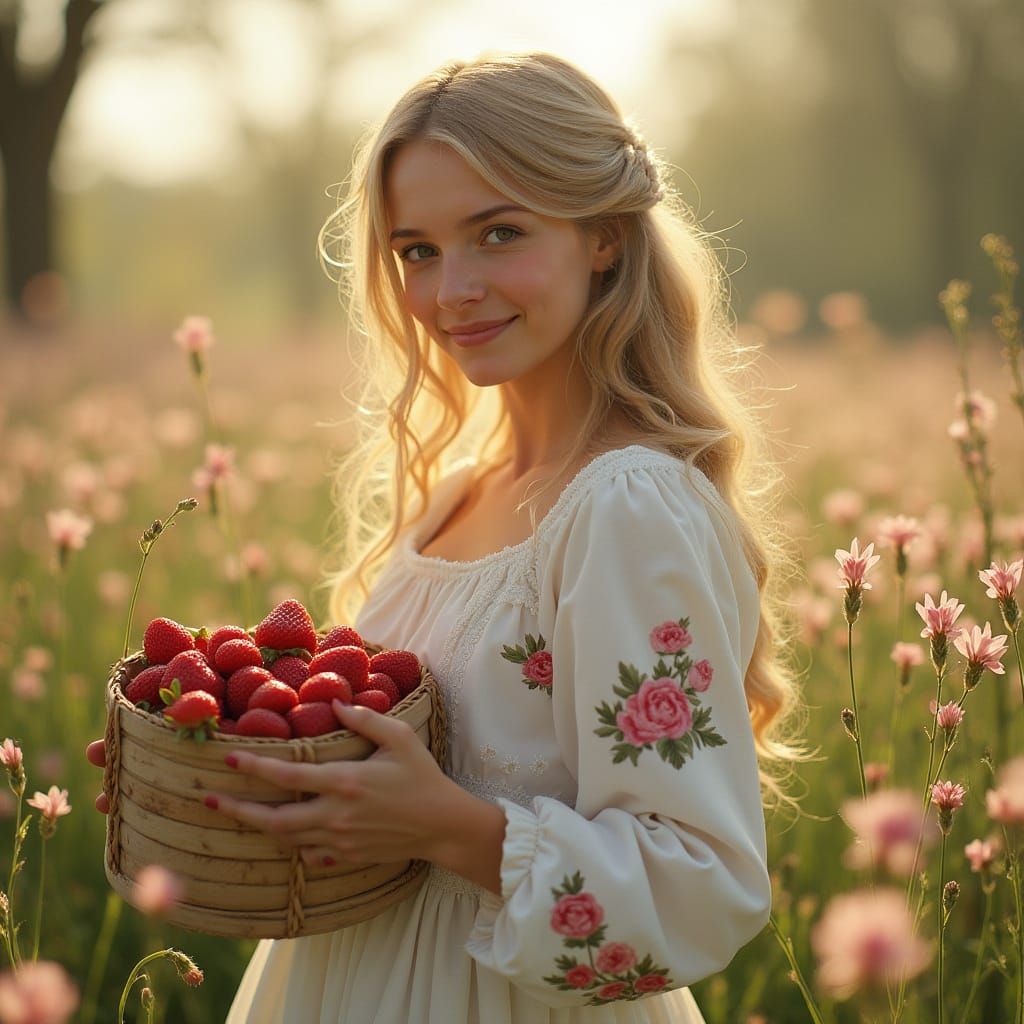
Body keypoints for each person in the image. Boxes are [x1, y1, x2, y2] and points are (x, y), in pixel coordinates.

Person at [88, 50, 804, 1023]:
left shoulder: (626, 505)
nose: (450, 289)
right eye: (416, 249)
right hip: (341, 978)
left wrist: (453, 829)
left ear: (600, 236)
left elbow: (704, 885)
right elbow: (390, 780)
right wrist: (231, 781)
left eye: (496, 232)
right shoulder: (452, 494)